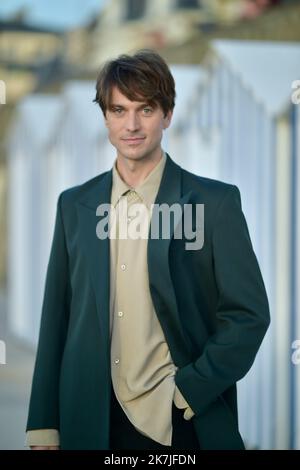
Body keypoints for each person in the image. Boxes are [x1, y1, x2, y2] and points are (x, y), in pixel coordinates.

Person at [26, 50, 270, 450]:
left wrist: (192, 388)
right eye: (119, 110)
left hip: (176, 420)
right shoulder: (74, 206)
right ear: (105, 117)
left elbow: (248, 315)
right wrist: (43, 424)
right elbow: (56, 319)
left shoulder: (214, 204)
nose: (132, 125)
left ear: (167, 115)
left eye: (146, 109)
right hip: (90, 418)